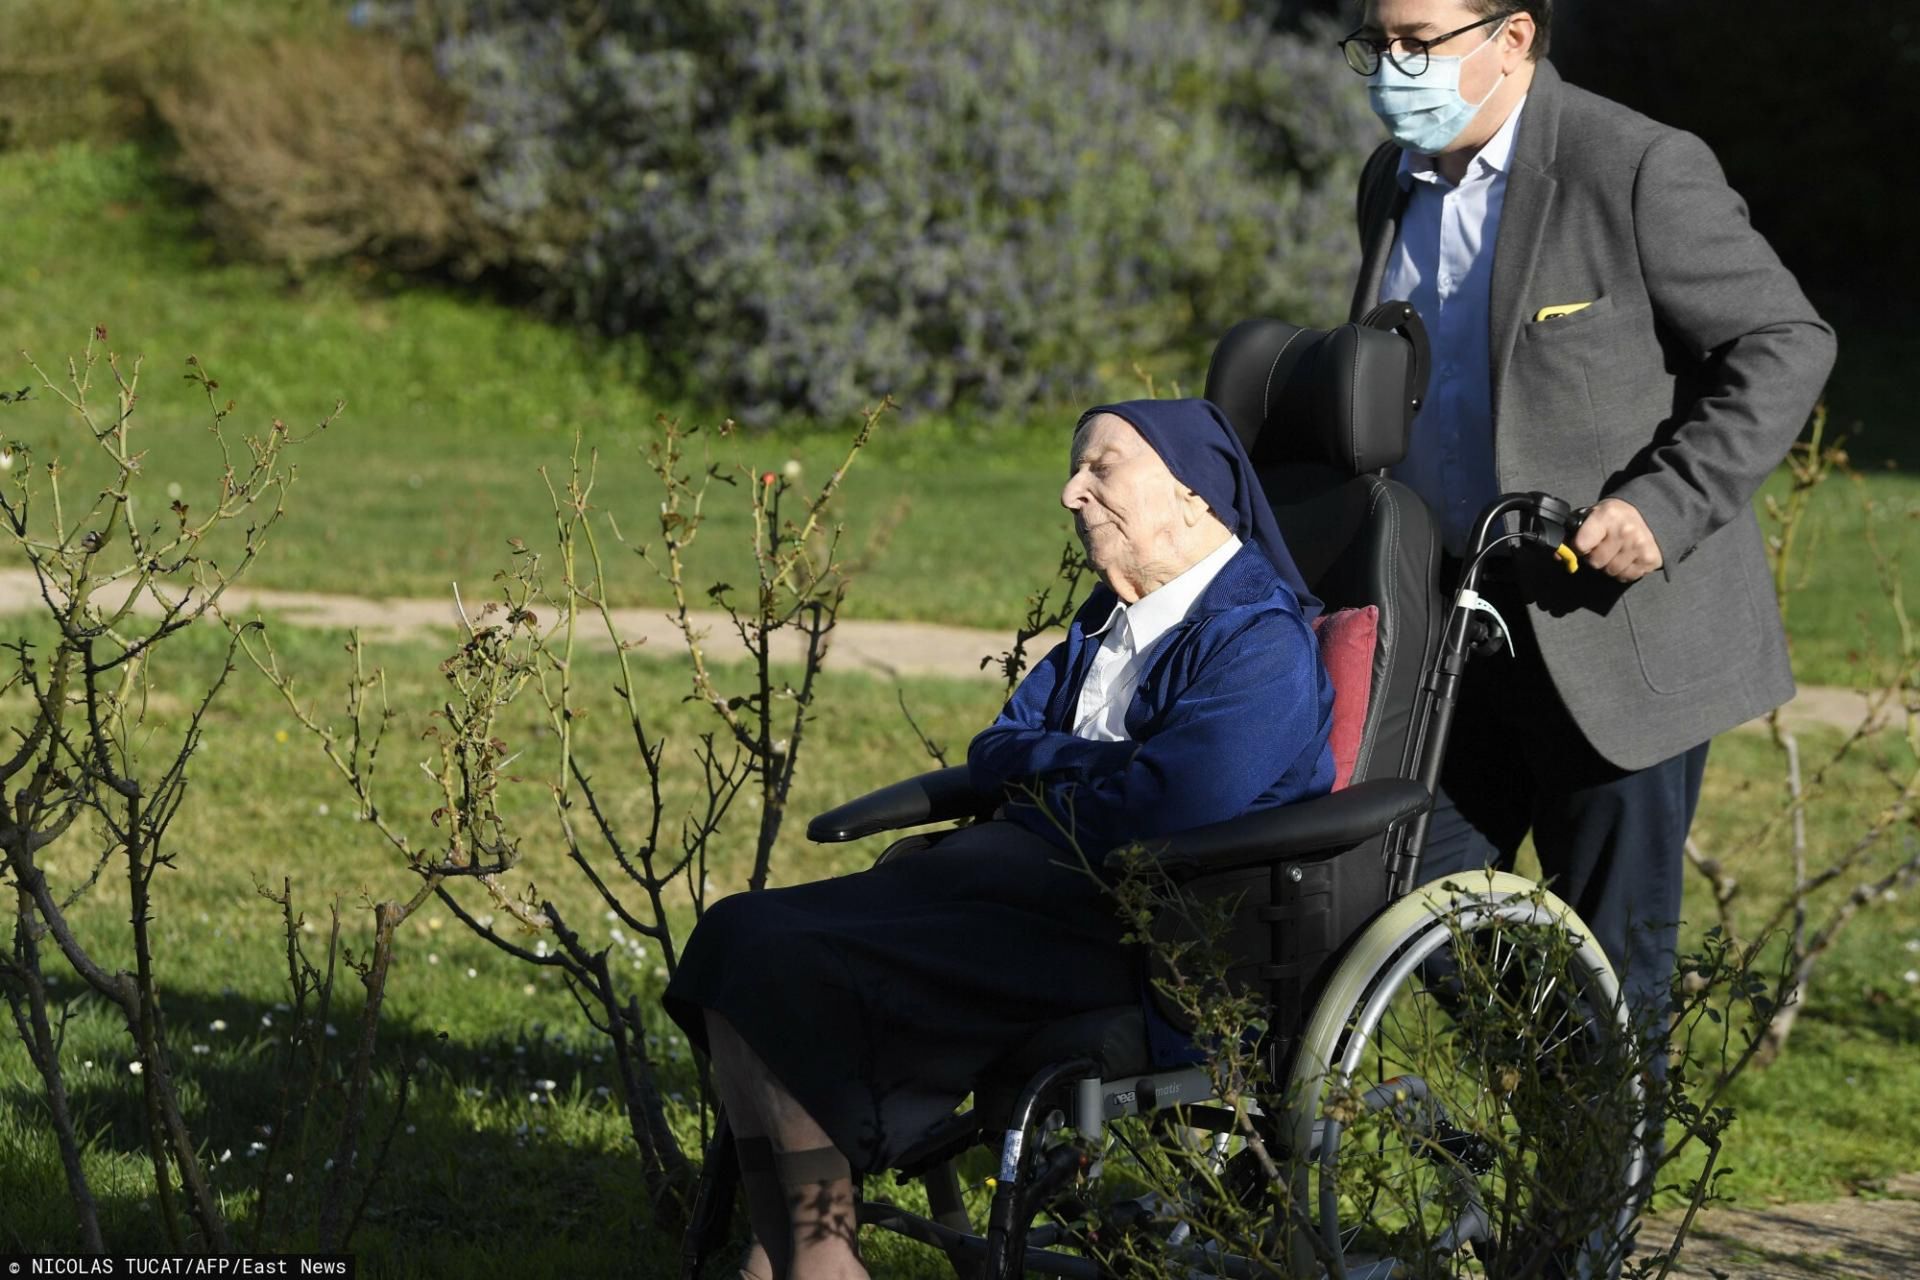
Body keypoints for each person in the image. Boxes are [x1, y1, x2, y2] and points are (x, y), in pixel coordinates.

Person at [664, 398, 1334, 1280]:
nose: (1069, 492)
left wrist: (1053, 775)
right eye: (1073, 468)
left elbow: (1169, 804)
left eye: (1100, 468)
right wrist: (1093, 762)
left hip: (1132, 930)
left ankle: (812, 1255)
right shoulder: (1105, 622)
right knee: (734, 935)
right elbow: (996, 749)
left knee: (788, 965)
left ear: (1194, 494)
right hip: (1012, 888)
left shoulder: (1259, 641)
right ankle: (799, 1244)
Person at [1340, 3, 1836, 1042]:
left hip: (1620, 632)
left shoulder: (1637, 165)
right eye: (1375, 41)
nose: (1390, 66)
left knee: (1618, 954)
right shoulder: (1391, 180)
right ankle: (1581, 1100)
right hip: (1459, 627)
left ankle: (1591, 1185)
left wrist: (1666, 503)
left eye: (1415, 42)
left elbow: (1786, 340)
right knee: (1398, 885)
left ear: (1512, 38)